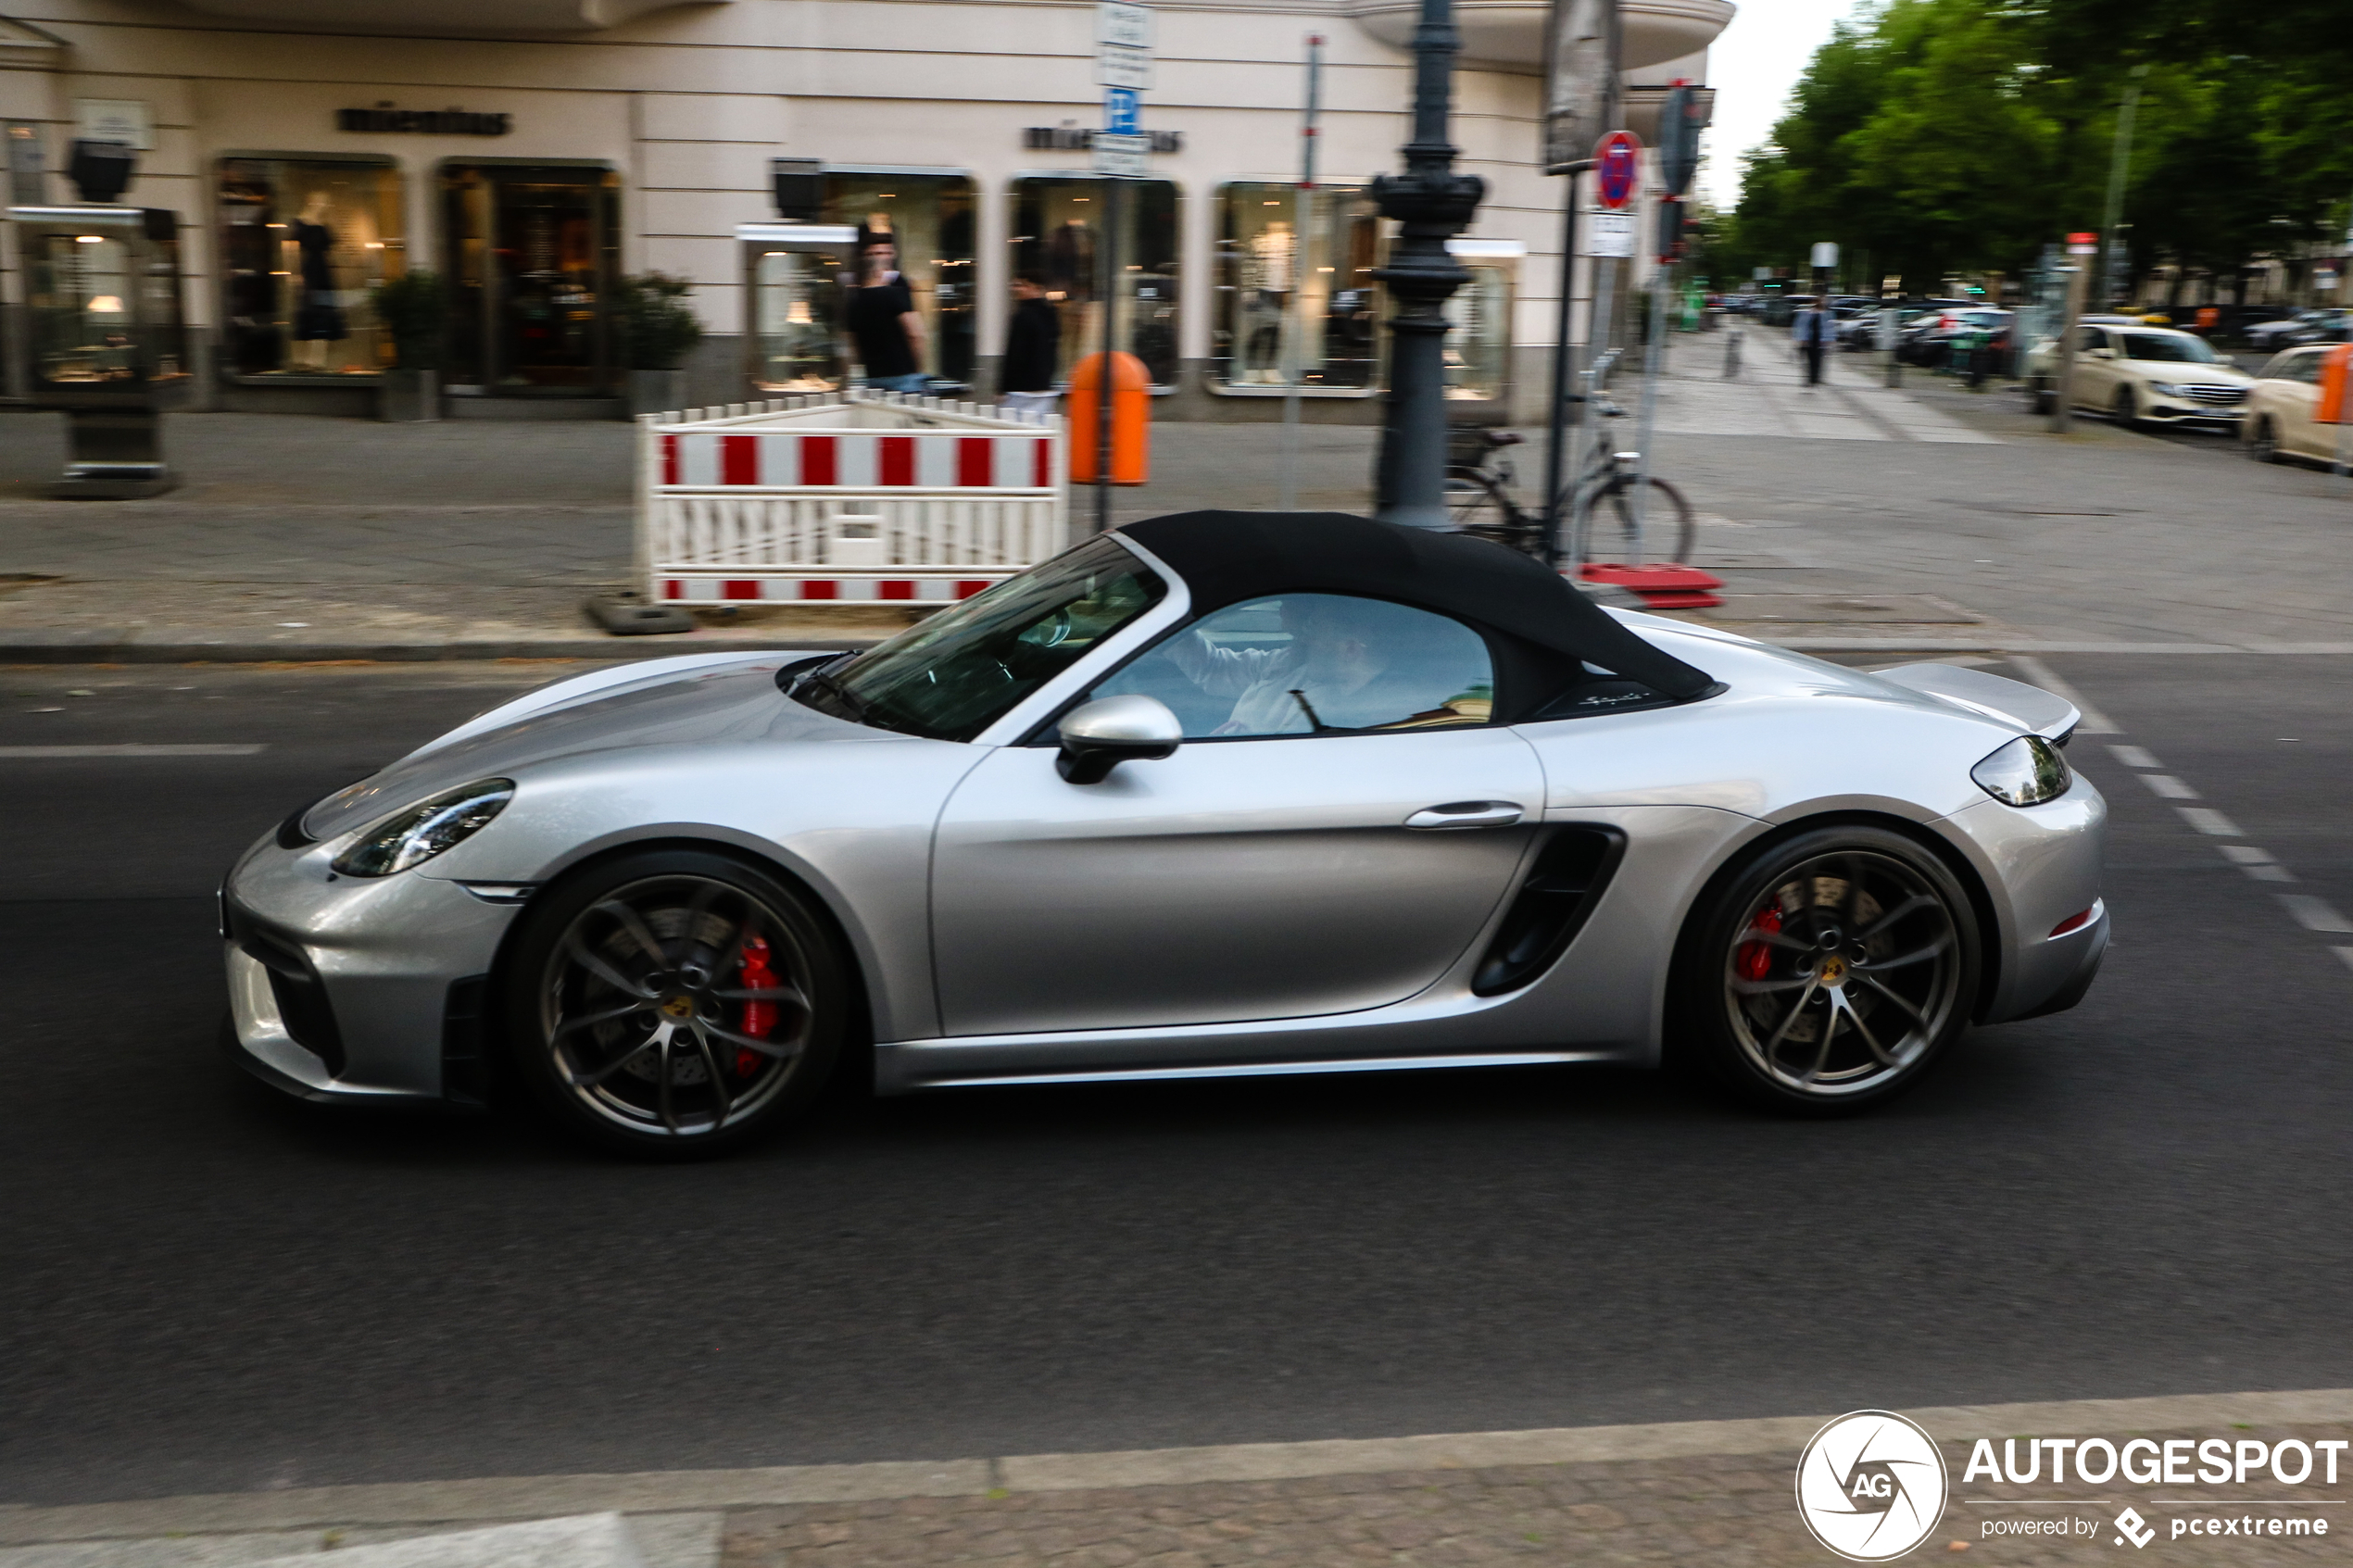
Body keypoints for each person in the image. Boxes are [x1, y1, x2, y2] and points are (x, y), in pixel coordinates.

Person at [846, 239, 927, 394]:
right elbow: (915, 334)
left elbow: (853, 345)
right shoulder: (895, 294)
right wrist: (918, 369)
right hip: (903, 376)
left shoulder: (854, 302)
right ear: (878, 271)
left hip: (873, 378)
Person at [1000, 273, 1061, 415]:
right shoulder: (1050, 314)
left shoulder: (1024, 315)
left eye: (1020, 285)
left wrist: (1004, 387)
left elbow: (1015, 353)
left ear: (1035, 288)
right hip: (1043, 385)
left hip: (1021, 389)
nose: (1016, 289)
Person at [1792, 300, 1832, 386]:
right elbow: (1802, 327)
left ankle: (1813, 379)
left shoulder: (1821, 316)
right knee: (1814, 361)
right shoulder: (1809, 316)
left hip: (1813, 342)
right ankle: (1812, 379)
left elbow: (1799, 327)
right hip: (1812, 342)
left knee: (1812, 361)